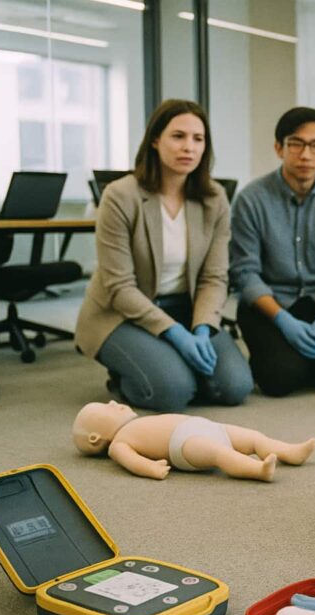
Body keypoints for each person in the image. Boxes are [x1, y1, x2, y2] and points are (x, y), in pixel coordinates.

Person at [75, 99, 253, 412]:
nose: (189, 147)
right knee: (172, 391)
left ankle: (170, 362)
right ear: (156, 140)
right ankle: (125, 376)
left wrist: (201, 329)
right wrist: (175, 335)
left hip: (186, 308)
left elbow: (214, 276)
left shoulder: (214, 199)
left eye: (198, 139)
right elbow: (120, 288)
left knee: (235, 386)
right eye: (178, 136)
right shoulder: (120, 195)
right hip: (122, 314)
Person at [229, 107, 315, 396]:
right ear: (279, 148)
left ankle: (306, 358)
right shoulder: (251, 200)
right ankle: (289, 358)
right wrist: (282, 320)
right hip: (269, 304)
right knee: (280, 380)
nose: (306, 155)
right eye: (296, 143)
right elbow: (245, 272)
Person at [73, 400, 315, 481]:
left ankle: (290, 452)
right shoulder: (118, 443)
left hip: (203, 426)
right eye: (105, 407)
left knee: (253, 437)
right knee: (220, 453)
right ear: (95, 438)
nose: (113, 403)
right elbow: (130, 460)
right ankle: (258, 470)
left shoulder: (135, 423)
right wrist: (151, 468)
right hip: (183, 445)